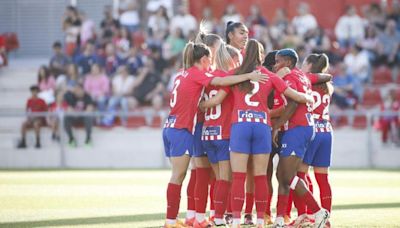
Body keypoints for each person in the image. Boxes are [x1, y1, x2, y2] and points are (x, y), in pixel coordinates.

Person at [201, 40, 313, 228]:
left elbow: (218, 94)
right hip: (262, 126)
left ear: (244, 55)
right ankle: (260, 220)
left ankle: (236, 220)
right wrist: (308, 97)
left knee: (238, 176)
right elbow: (294, 96)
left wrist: (200, 105)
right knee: (260, 176)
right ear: (261, 56)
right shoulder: (269, 75)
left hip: (240, 126)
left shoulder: (236, 75)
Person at [162, 42, 268, 228]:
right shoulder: (198, 74)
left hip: (174, 127)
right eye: (208, 60)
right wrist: (249, 76)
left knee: (189, 175)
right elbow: (220, 83)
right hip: (184, 129)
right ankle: (175, 221)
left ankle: (190, 219)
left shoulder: (181, 74)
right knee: (184, 176)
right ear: (203, 59)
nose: (210, 64)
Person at [271, 49, 330, 228]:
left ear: (288, 62)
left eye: (278, 61)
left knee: (288, 177)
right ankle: (280, 219)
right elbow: (324, 77)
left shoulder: (290, 78)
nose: (275, 65)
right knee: (282, 174)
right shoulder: (303, 76)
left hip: (296, 128)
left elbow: (293, 103)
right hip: (304, 127)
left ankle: (319, 213)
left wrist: (276, 126)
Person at [199, 43, 241, 227]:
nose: (239, 62)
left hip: (207, 133)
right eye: (237, 59)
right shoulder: (229, 78)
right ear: (231, 59)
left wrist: (202, 106)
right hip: (223, 133)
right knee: (225, 178)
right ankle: (219, 218)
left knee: (218, 179)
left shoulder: (209, 77)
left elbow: (201, 100)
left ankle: (218, 214)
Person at [290, 53, 334, 227]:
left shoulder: (305, 80)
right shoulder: (327, 86)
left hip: (312, 129)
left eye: (304, 63)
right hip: (327, 130)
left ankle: (304, 216)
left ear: (309, 66)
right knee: (323, 179)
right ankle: (326, 218)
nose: (301, 66)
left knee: (299, 175)